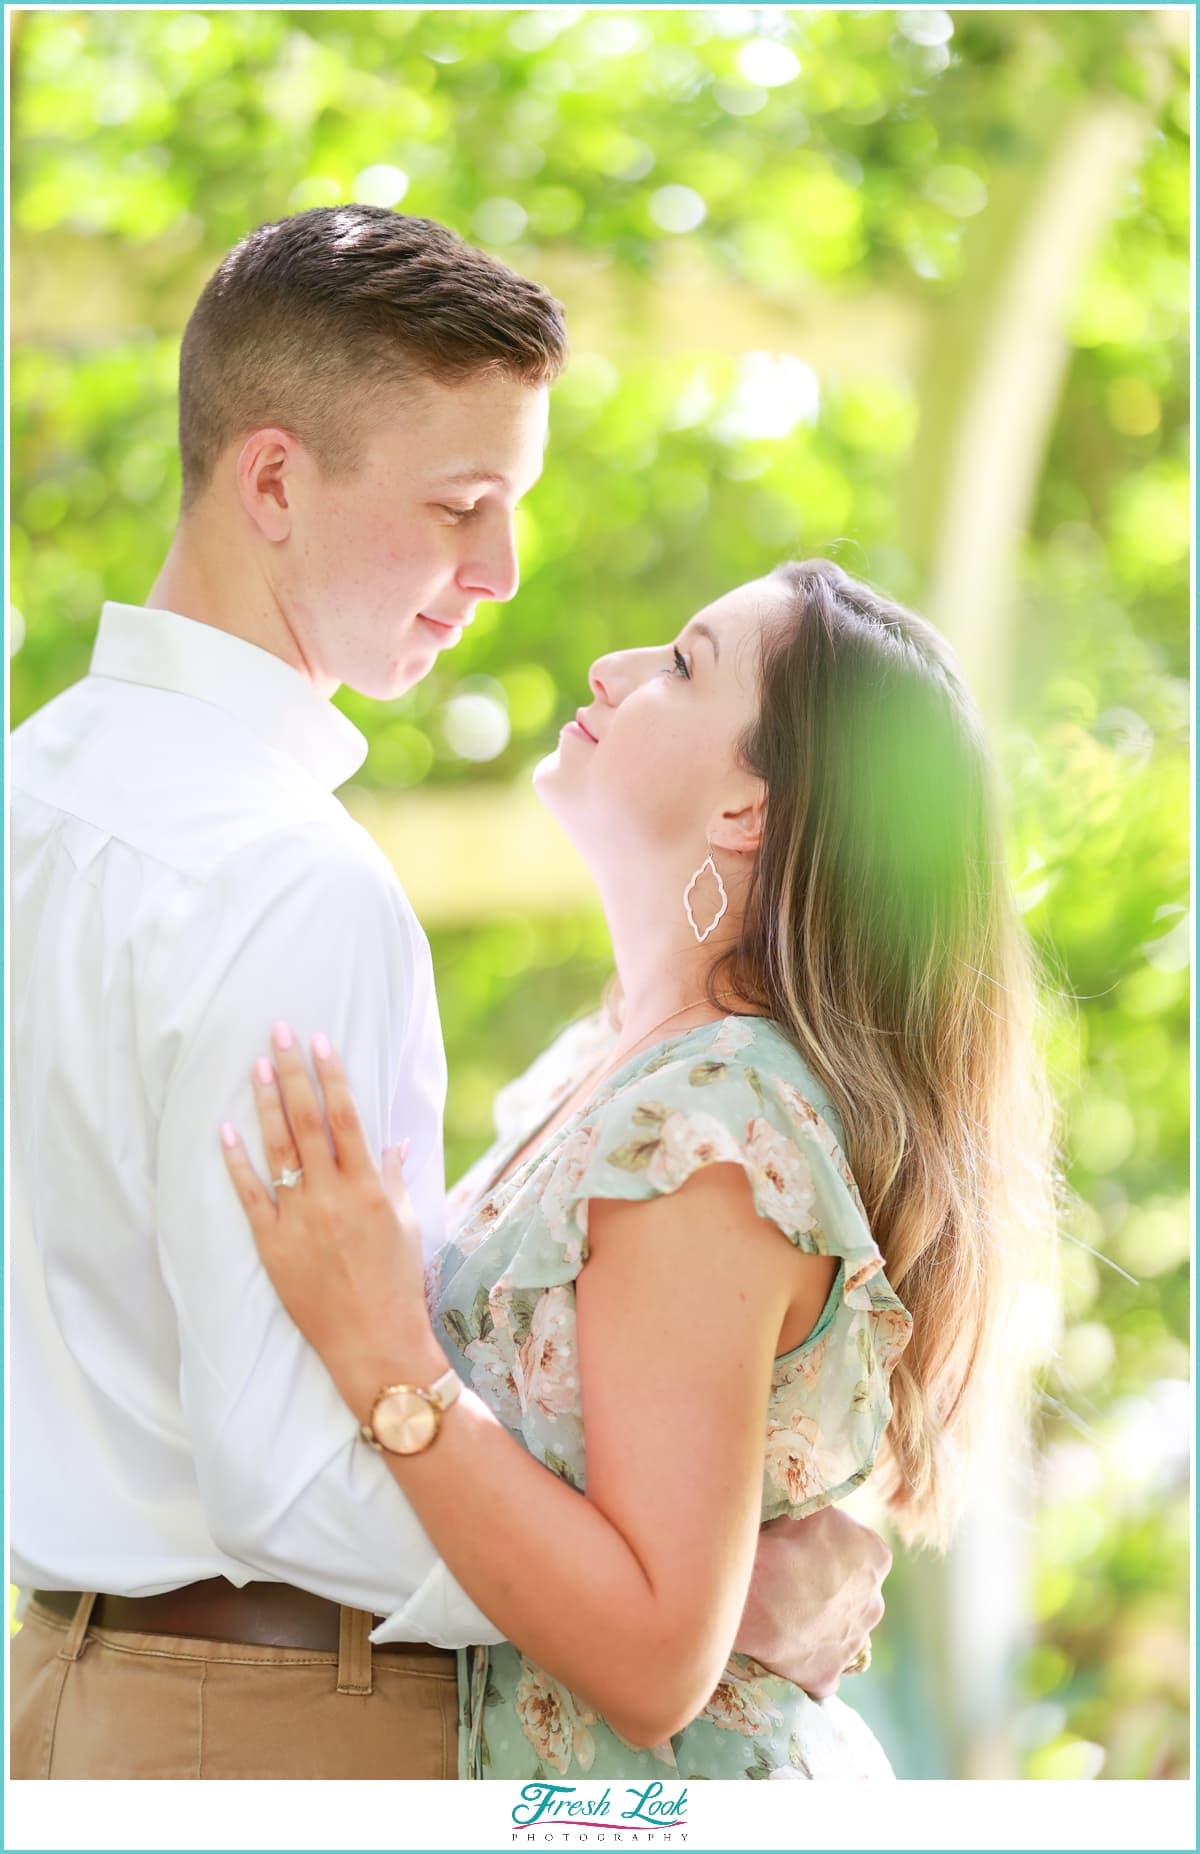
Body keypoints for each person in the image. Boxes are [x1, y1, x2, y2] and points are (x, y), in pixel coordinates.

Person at [9, 208, 893, 1782]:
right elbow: (283, 1477)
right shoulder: (297, 880)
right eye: (458, 507)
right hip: (281, 1727)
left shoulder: (30, 798)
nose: (498, 575)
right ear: (273, 481)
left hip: (63, 1702)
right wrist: (702, 1597)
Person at [220, 558, 1061, 1779]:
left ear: (748, 809)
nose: (614, 670)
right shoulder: (612, 1071)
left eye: (680, 666)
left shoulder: (711, 1130)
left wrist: (378, 1352)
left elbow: (655, 1659)